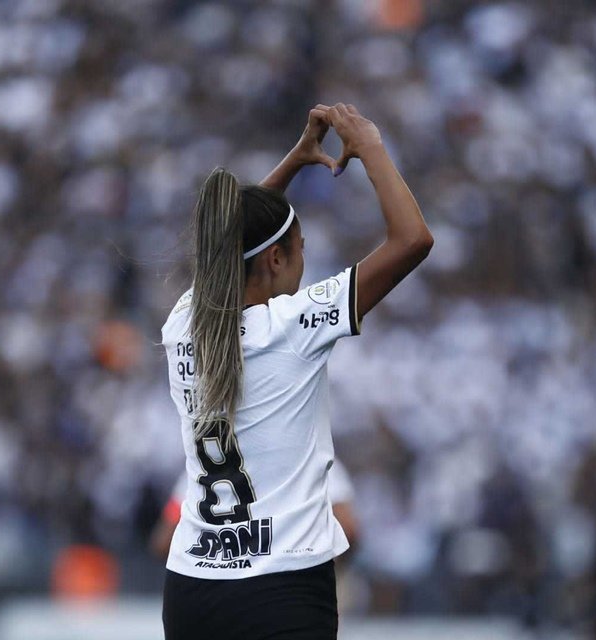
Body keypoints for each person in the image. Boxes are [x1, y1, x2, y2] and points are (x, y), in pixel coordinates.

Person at [160, 103, 432, 640]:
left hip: (193, 584)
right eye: (300, 251)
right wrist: (371, 145)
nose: (306, 263)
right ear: (277, 261)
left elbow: (229, 251)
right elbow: (413, 240)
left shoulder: (181, 323)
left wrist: (293, 162)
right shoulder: (294, 323)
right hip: (281, 587)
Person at [150, 458, 359, 560]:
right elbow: (347, 530)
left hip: (223, 588)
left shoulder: (203, 468)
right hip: (296, 587)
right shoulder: (311, 459)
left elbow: (164, 540)